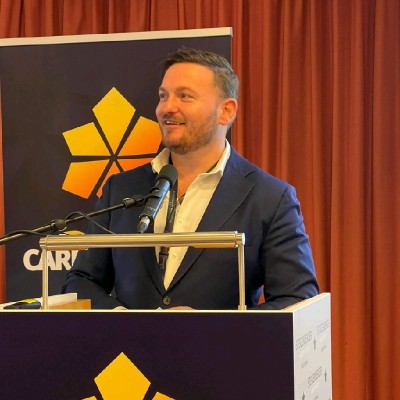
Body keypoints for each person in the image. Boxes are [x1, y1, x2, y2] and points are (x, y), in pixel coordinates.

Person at [62, 47, 319, 310]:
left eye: (184, 96)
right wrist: (126, 322)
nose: (166, 108)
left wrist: (209, 326)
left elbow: (297, 299)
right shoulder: (120, 189)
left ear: (226, 111)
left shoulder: (270, 198)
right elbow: (81, 281)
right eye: (163, 96)